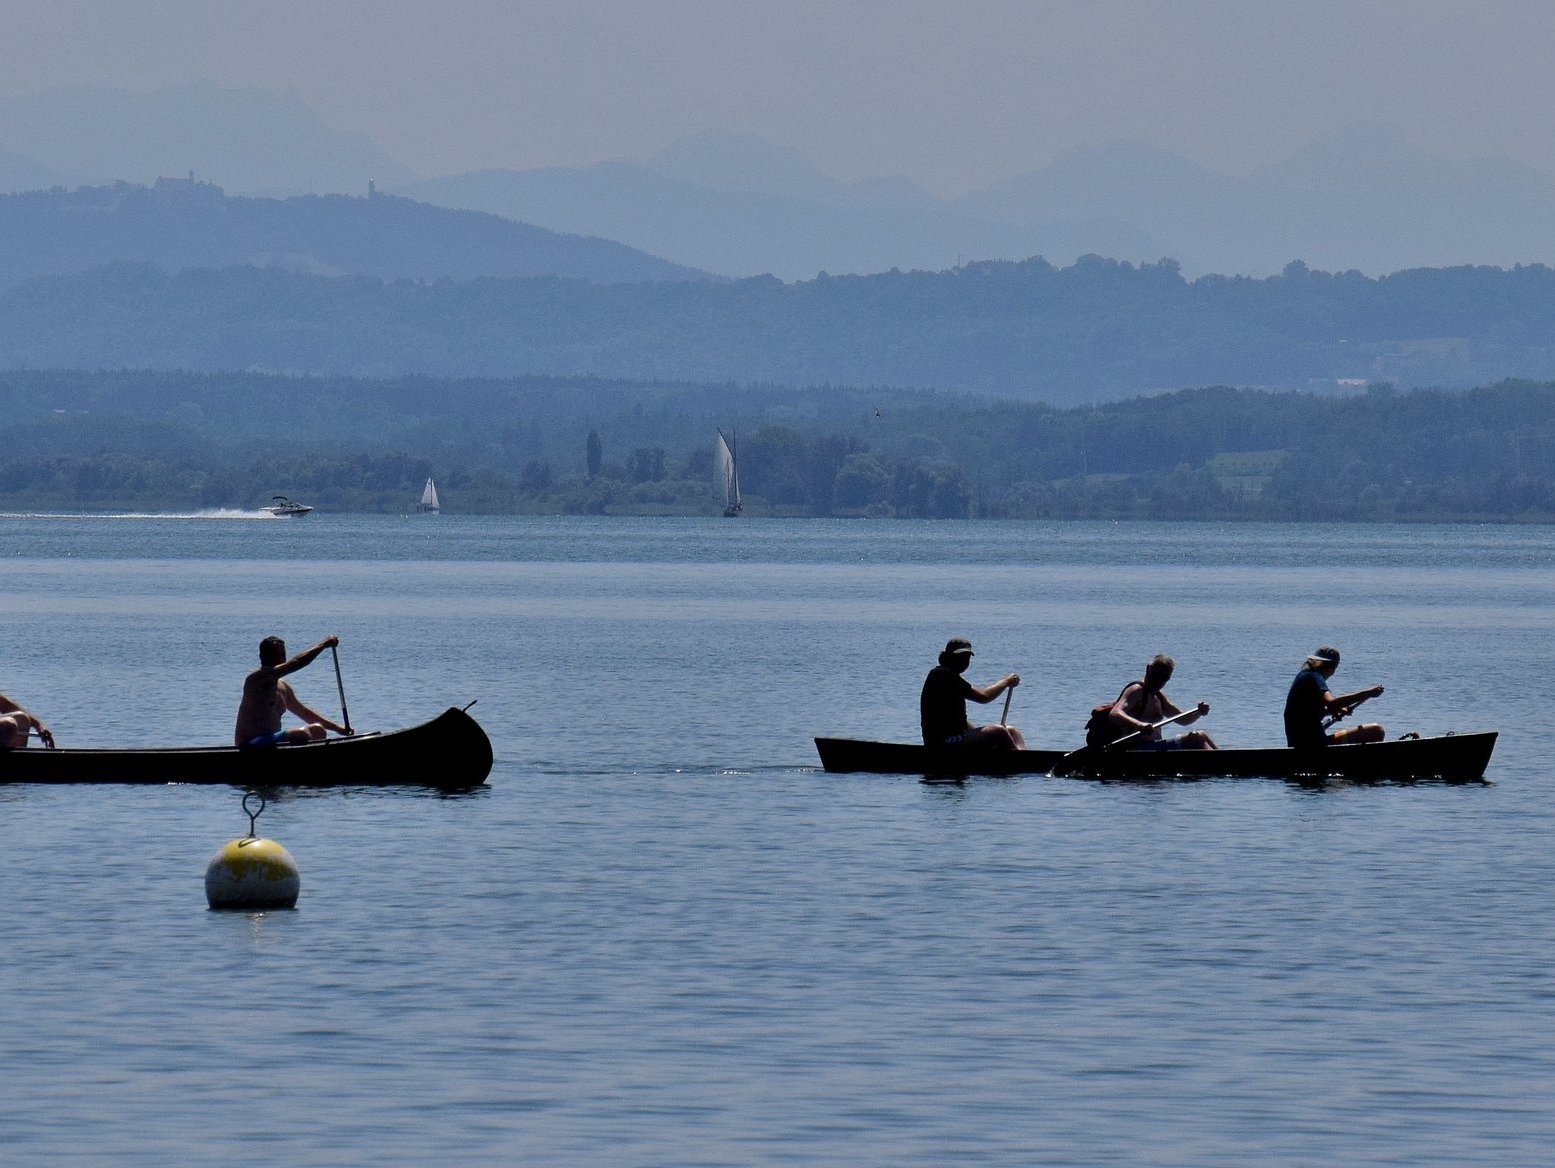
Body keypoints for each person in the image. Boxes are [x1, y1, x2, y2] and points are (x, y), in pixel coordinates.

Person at [235, 635, 351, 748]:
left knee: (318, 730)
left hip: (272, 740)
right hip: (250, 743)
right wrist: (323, 645)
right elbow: (295, 663)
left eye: (283, 654)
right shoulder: (255, 679)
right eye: (274, 654)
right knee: (300, 734)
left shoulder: (283, 687)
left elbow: (305, 713)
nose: (280, 658)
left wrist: (337, 728)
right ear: (262, 657)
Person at [919, 637, 1025, 749]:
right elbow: (983, 696)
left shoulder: (951, 677)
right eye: (959, 657)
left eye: (966, 658)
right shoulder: (941, 675)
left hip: (957, 736)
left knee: (1013, 732)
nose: (963, 662)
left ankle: (1025, 761)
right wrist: (1006, 681)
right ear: (948, 657)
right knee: (998, 732)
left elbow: (960, 721)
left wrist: (978, 733)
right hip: (940, 742)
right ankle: (1020, 764)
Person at [1106, 654, 1216, 750]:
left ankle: (1229, 761)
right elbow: (1114, 713)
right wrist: (1139, 725)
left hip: (1154, 747)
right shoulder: (1137, 690)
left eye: (1164, 677)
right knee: (1195, 738)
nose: (1159, 680)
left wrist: (1199, 713)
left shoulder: (1158, 696)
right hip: (1135, 749)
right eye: (1157, 675)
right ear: (1148, 669)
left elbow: (1183, 719)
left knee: (1202, 734)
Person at [1283, 646, 1384, 749]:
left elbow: (1306, 715)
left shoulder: (1304, 676)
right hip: (1316, 745)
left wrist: (1332, 711)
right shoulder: (1314, 677)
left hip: (1298, 744)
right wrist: (1367, 693)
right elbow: (1331, 702)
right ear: (1332, 668)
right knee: (1376, 731)